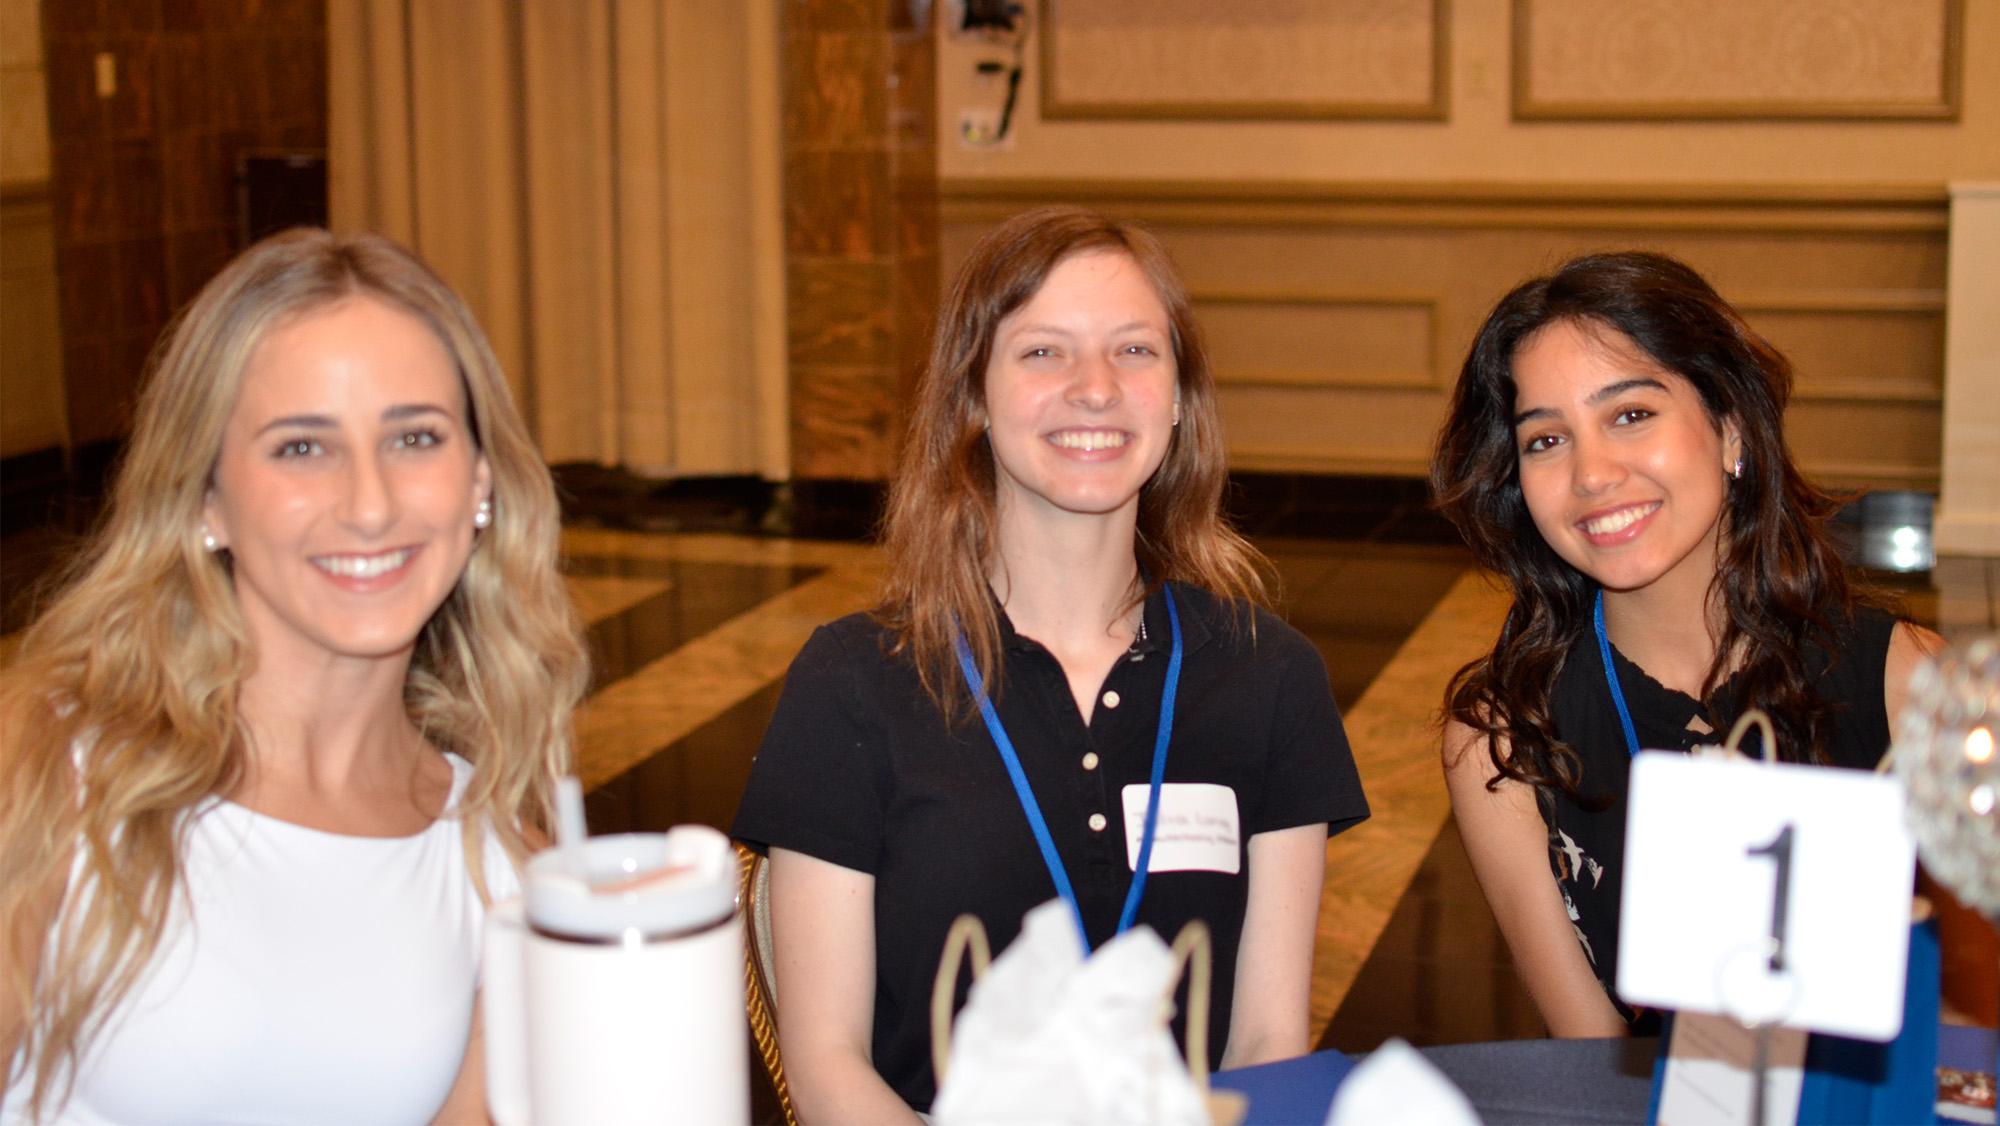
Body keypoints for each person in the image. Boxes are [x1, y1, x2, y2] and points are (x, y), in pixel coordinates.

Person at [732, 205, 1368, 1119]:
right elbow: (832, 1073)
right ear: (973, 400)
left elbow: (1265, 1045)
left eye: (1135, 351)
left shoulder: (1271, 679)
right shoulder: (854, 683)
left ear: (1180, 395)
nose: (1096, 388)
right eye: (1043, 352)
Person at [0, 229, 588, 1122]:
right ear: (205, 500)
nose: (369, 504)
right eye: (302, 448)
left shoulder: (500, 866)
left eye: (415, 437)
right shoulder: (57, 764)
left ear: (480, 483)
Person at [1430, 250, 1939, 1037]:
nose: (1592, 473)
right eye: (1545, 440)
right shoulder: (1503, 739)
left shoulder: (1908, 684)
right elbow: (1593, 1059)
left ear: (1730, 427)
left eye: (1630, 415)